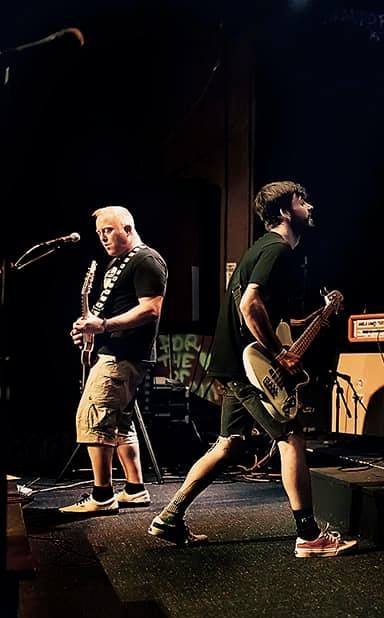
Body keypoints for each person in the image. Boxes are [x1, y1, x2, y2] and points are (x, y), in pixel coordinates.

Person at [148, 180, 358, 558]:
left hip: (235, 363)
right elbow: (250, 304)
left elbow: (275, 320)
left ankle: (170, 517)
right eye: (301, 201)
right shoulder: (277, 249)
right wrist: (280, 355)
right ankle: (308, 536)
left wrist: (321, 314)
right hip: (250, 367)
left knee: (229, 445)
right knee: (291, 436)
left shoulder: (263, 249)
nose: (309, 207)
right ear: (284, 211)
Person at [60, 206, 167, 514]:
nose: (103, 237)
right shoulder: (118, 263)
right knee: (120, 423)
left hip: (125, 354)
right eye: (99, 233)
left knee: (93, 417)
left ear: (127, 228)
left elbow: (150, 309)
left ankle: (102, 495)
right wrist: (88, 330)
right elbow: (109, 310)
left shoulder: (146, 260)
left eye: (108, 230)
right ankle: (134, 489)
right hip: (115, 350)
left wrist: (104, 326)